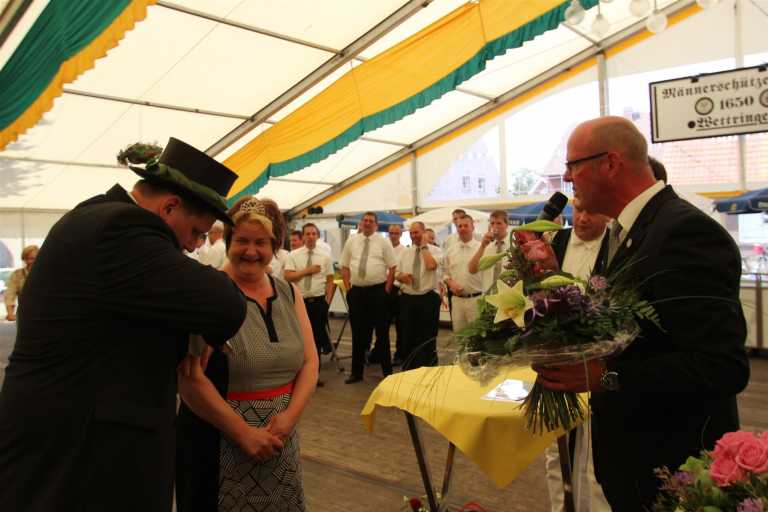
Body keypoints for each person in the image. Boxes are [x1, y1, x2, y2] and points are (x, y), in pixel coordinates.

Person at [0, 137, 247, 512]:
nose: (196, 246)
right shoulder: (122, 228)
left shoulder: (93, 214)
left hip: (70, 445)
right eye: (197, 232)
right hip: (86, 460)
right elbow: (225, 304)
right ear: (169, 207)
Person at [534, 116, 750, 510]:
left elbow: (722, 366)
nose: (566, 178)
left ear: (611, 163)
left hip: (672, 473)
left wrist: (606, 376)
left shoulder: (685, 232)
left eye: (573, 165)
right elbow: (620, 327)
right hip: (630, 466)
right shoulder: (624, 231)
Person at [176, 197, 318, 512]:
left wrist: (289, 418)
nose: (250, 251)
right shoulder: (207, 293)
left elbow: (310, 363)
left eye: (260, 242)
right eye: (242, 240)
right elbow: (189, 379)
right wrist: (243, 433)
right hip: (215, 441)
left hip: (279, 441)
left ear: (275, 246)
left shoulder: (288, 293)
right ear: (228, 241)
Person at [544, 203, 611, 512]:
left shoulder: (616, 245)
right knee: (556, 452)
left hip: (598, 366)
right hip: (556, 363)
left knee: (597, 454)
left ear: (608, 212)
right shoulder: (555, 241)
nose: (583, 218)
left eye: (592, 211)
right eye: (578, 210)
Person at [340, 212, 396, 383]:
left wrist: (386, 290)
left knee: (382, 333)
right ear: (360, 223)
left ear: (376, 225)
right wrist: (349, 289)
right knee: (358, 334)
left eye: (371, 221)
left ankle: (387, 373)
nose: (367, 223)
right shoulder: (352, 241)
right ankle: (356, 373)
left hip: (378, 292)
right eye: (365, 220)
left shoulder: (383, 242)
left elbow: (392, 267)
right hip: (357, 293)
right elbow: (344, 266)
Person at [284, 222, 335, 362]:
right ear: (303, 237)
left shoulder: (325, 256)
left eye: (313, 234)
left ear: (317, 236)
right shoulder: (294, 255)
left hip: (318, 302)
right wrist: (308, 271)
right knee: (299, 338)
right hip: (299, 302)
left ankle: (315, 370)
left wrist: (328, 301)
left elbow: (330, 280)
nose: (311, 236)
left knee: (316, 339)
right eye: (308, 234)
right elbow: (288, 276)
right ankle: (300, 368)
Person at [396, 222, 442, 370]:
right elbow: (396, 273)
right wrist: (402, 277)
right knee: (408, 336)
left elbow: (431, 265)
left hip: (427, 298)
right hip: (408, 299)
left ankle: (428, 368)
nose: (413, 236)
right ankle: (410, 369)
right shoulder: (405, 253)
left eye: (416, 232)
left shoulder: (435, 251)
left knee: (427, 338)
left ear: (424, 233)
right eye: (411, 233)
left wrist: (423, 247)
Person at [443, 215, 483, 333]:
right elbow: (445, 274)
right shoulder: (450, 250)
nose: (462, 228)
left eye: (466, 225)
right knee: (459, 336)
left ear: (473, 227)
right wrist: (451, 283)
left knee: (477, 336)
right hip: (457, 301)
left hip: (476, 300)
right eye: (460, 226)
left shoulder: (481, 248)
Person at [468, 210, 510, 292]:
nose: (495, 226)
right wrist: (482, 246)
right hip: (488, 294)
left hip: (508, 294)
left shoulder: (514, 244)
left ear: (506, 225)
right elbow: (472, 270)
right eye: (492, 223)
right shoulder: (485, 245)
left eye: (499, 223)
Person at [387, 224, 407, 366]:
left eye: (396, 233)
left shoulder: (404, 251)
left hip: (397, 289)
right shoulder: (384, 249)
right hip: (384, 288)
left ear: (400, 235)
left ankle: (400, 354)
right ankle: (379, 353)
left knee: (400, 326)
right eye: (391, 233)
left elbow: (402, 272)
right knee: (382, 324)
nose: (393, 236)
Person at [3, 244, 38, 321]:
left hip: (45, 314)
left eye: (35, 258)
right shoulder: (17, 275)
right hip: (25, 314)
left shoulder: (47, 274)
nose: (32, 261)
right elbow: (10, 294)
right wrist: (10, 313)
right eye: (29, 259)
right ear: (24, 259)